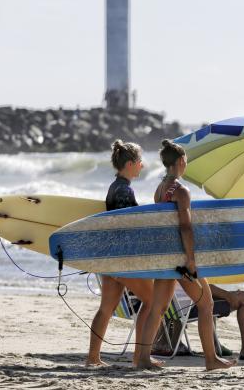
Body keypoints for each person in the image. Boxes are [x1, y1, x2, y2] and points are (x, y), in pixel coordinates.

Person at [137, 139, 236, 371]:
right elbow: (185, 227)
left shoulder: (160, 189)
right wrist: (191, 260)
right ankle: (211, 360)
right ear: (181, 161)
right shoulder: (181, 191)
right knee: (206, 304)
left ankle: (142, 357)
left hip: (167, 257)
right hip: (181, 259)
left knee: (158, 308)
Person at [86, 139, 160, 368]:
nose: (142, 166)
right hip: (123, 260)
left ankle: (93, 358)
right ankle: (140, 357)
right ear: (129, 164)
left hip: (111, 259)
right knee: (152, 301)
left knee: (106, 308)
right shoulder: (124, 191)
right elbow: (126, 229)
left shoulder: (115, 187)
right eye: (139, 162)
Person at [150, 284, 244, 360]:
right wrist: (228, 295)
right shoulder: (187, 258)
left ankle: (215, 345)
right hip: (188, 306)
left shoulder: (165, 258)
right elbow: (202, 286)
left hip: (175, 306)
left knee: (214, 296)